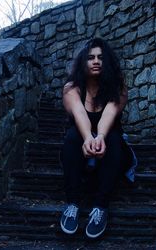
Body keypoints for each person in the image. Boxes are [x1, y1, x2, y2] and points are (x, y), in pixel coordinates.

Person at [60, 37, 137, 239]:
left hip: (111, 151)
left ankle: (100, 207)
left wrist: (99, 136)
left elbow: (109, 116)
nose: (96, 61)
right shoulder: (71, 89)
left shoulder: (118, 88)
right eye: (91, 57)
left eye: (101, 58)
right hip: (80, 151)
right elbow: (79, 114)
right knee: (72, 136)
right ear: (83, 62)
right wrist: (88, 138)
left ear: (107, 61)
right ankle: (72, 204)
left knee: (112, 137)